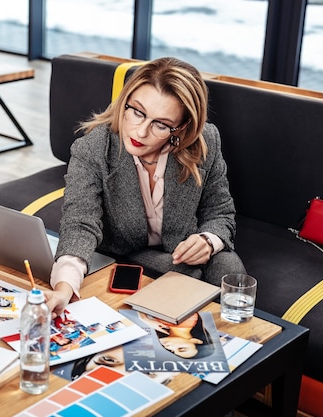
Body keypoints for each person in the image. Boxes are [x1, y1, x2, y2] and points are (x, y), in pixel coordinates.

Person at [45, 57, 246, 319]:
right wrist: (64, 287)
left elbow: (220, 212)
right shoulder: (93, 149)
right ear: (125, 101)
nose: (140, 132)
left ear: (182, 127)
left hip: (179, 247)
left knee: (230, 268)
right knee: (187, 273)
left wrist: (208, 240)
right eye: (137, 112)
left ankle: (238, 342)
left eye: (161, 124)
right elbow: (80, 223)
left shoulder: (205, 141)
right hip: (126, 250)